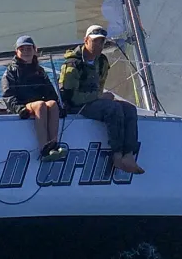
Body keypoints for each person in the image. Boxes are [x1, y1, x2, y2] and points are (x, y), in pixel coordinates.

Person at [59, 25, 144, 174]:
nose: (99, 45)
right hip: (76, 105)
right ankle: (117, 155)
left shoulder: (102, 62)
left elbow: (100, 85)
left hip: (94, 102)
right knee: (113, 108)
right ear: (86, 40)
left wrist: (100, 97)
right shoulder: (73, 65)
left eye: (102, 42)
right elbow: (70, 97)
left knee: (129, 109)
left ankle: (129, 155)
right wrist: (99, 97)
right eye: (95, 41)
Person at [1, 35, 66, 162]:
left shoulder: (39, 70)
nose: (26, 52)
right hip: (23, 106)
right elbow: (8, 95)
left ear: (35, 50)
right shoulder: (11, 71)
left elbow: (50, 92)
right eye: (22, 49)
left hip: (38, 105)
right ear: (17, 52)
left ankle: (54, 144)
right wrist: (19, 109)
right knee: (40, 105)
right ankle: (44, 149)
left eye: (29, 49)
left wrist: (59, 106)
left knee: (52, 104)